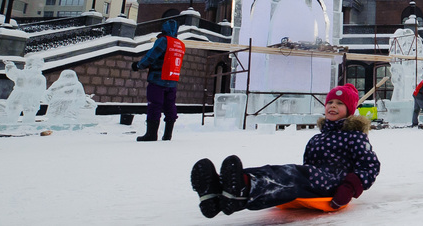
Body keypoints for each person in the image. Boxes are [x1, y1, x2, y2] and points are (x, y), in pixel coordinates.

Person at [189, 84, 380, 218]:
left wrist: (348, 187)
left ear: (350, 110)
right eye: (330, 102)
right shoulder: (317, 138)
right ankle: (221, 190)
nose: (332, 106)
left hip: (334, 183)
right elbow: (307, 165)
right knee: (279, 173)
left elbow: (370, 166)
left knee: (292, 174)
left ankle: (242, 186)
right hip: (312, 179)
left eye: (339, 104)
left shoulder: (355, 136)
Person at [131, 18, 184, 141]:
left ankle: (151, 134)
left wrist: (138, 65)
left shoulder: (163, 41)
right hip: (172, 80)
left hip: (158, 79)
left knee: (155, 105)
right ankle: (168, 135)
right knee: (170, 105)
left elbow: (151, 56)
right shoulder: (180, 44)